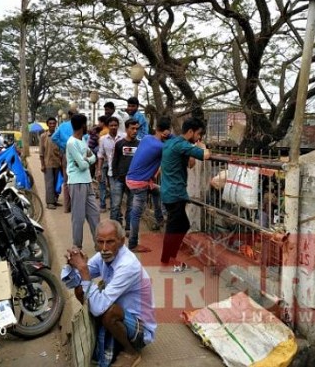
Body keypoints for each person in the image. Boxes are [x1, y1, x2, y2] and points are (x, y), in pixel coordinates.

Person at [62, 219, 156, 367]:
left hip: (140, 329)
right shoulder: (102, 256)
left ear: (121, 241)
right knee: (80, 289)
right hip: (118, 314)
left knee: (108, 311)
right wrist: (73, 266)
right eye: (100, 242)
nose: (104, 248)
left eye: (110, 242)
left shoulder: (128, 265)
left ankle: (131, 351)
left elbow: (100, 307)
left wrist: (83, 270)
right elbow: (73, 282)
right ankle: (100, 330)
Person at [159, 117, 211, 267]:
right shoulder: (182, 144)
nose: (199, 137)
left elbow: (190, 164)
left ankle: (168, 256)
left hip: (170, 191)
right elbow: (205, 155)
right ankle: (167, 258)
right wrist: (202, 146)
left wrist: (192, 151)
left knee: (180, 225)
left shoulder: (171, 143)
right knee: (175, 227)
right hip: (175, 193)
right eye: (198, 134)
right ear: (190, 131)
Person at [126, 117, 172, 252]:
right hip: (139, 183)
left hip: (133, 179)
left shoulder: (146, 138)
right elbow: (175, 144)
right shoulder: (161, 147)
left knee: (158, 191)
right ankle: (133, 244)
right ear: (165, 132)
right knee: (136, 214)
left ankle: (159, 218)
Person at [66, 114, 100, 249]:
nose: (88, 127)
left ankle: (99, 243)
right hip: (76, 182)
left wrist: (86, 159)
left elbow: (94, 157)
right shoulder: (71, 143)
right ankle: (77, 246)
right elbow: (84, 165)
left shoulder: (82, 141)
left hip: (87, 181)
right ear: (82, 126)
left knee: (94, 214)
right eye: (86, 124)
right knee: (78, 217)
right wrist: (87, 159)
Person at [110, 119, 139, 232]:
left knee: (131, 206)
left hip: (133, 181)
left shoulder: (140, 144)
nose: (135, 131)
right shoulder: (119, 144)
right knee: (115, 205)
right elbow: (114, 161)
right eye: (132, 128)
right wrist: (116, 176)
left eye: (137, 128)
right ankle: (113, 229)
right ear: (126, 129)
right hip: (119, 180)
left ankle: (128, 228)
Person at [52, 107, 78, 213]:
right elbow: (86, 138)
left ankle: (67, 208)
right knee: (77, 181)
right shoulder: (80, 126)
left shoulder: (62, 126)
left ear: (69, 115)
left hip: (66, 155)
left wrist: (64, 146)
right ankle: (76, 207)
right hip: (77, 155)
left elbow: (54, 137)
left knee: (67, 182)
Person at [96, 116, 123, 215]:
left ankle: (117, 213)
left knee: (121, 196)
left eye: (115, 125)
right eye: (111, 125)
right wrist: (99, 170)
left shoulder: (123, 137)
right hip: (112, 171)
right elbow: (100, 155)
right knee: (113, 193)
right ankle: (115, 216)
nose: (113, 127)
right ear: (108, 126)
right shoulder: (103, 139)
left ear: (118, 126)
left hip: (124, 172)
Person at [39, 117, 61, 210]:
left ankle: (55, 200)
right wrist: (42, 165)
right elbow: (41, 152)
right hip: (47, 163)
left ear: (56, 124)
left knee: (57, 183)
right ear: (47, 124)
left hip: (58, 163)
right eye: (50, 123)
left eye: (53, 123)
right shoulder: (43, 136)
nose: (52, 125)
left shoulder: (59, 135)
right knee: (49, 183)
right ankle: (50, 202)